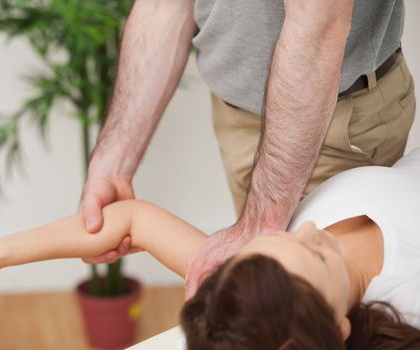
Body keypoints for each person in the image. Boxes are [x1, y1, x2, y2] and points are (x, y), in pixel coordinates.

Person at [76, 0, 416, 298]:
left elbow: (318, 28)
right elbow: (164, 5)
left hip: (330, 118)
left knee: (291, 311)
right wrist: (113, 162)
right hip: (236, 115)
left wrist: (260, 223)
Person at [0, 149, 420, 349]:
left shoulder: (261, 291)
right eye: (315, 255)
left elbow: (132, 221)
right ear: (337, 326)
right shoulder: (408, 296)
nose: (308, 227)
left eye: (283, 238)